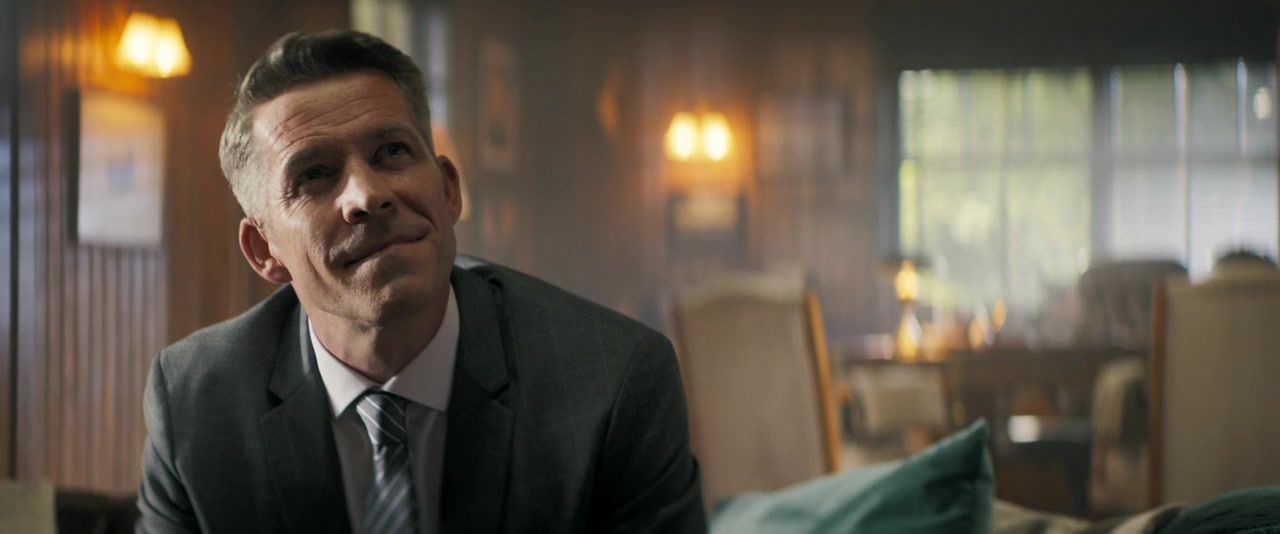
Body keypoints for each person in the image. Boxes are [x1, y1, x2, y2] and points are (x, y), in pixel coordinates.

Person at [137, 30, 705, 533]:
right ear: (265, 251)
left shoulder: (612, 379)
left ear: (449, 190)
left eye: (391, 152)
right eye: (314, 175)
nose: (367, 195)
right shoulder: (195, 403)